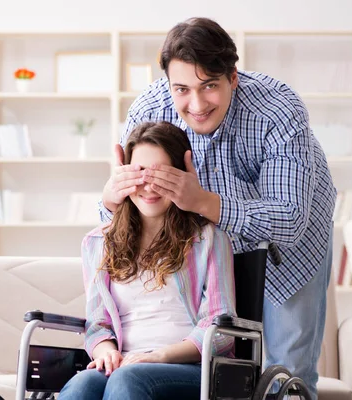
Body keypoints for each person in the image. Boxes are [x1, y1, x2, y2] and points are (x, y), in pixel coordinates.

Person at [99, 17, 336, 400]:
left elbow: (291, 220)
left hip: (290, 250)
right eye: (182, 89)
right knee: (223, 374)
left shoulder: (277, 109)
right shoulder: (151, 108)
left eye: (209, 85)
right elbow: (122, 219)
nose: (196, 104)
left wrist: (202, 202)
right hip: (208, 249)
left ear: (233, 77)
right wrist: (111, 198)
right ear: (168, 83)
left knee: (286, 372)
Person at [58, 121, 236, 400]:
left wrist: (158, 357)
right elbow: (97, 324)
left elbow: (221, 330)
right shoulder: (98, 242)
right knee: (83, 385)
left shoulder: (208, 239)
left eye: (162, 174)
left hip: (189, 368)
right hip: (125, 363)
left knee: (127, 380)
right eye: (139, 172)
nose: (149, 185)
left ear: (181, 175)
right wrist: (107, 352)